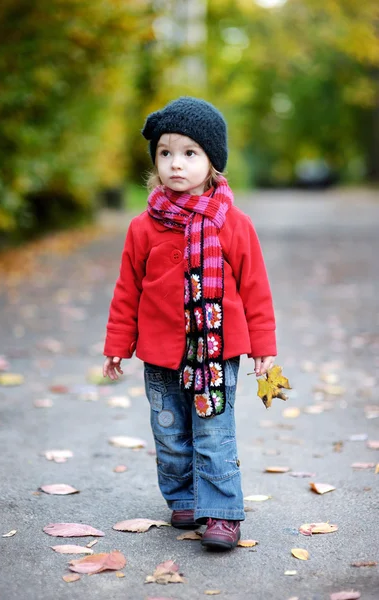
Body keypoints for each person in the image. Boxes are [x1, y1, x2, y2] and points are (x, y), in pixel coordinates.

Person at [103, 97, 276, 551]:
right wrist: (118, 344)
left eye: (189, 153)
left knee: (213, 431)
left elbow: (256, 288)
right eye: (165, 153)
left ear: (212, 161)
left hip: (215, 354)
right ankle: (182, 497)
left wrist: (263, 348)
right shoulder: (144, 227)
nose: (175, 164)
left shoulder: (233, 225)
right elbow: (127, 290)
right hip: (160, 354)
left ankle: (221, 512)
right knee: (170, 432)